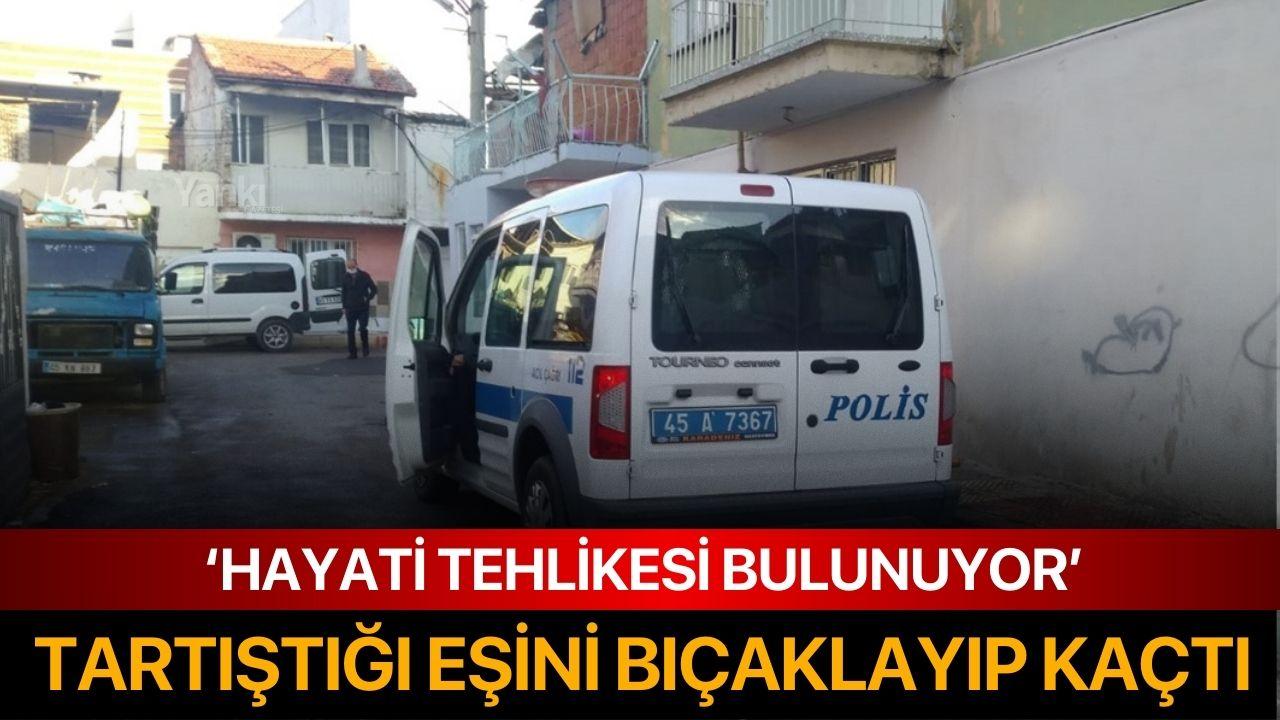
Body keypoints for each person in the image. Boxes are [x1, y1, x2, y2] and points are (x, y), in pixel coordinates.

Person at [340, 258, 378, 358]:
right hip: (350, 308)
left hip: (362, 307)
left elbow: (374, 289)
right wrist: (344, 307)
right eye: (348, 266)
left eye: (352, 266)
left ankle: (365, 348)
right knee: (350, 330)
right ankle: (352, 353)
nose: (350, 268)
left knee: (363, 328)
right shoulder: (345, 277)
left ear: (356, 265)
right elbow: (343, 293)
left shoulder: (364, 275)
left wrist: (367, 298)